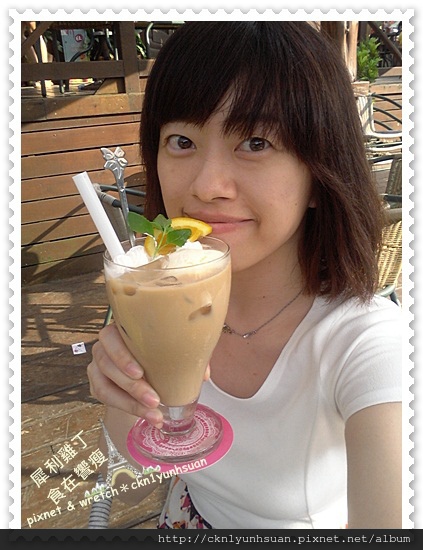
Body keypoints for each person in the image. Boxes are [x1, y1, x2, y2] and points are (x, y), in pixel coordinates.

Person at [88, 21, 402, 529]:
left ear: (320, 173)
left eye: (256, 142)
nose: (207, 185)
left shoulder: (369, 344)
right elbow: (137, 452)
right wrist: (126, 391)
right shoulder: (158, 301)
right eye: (182, 141)